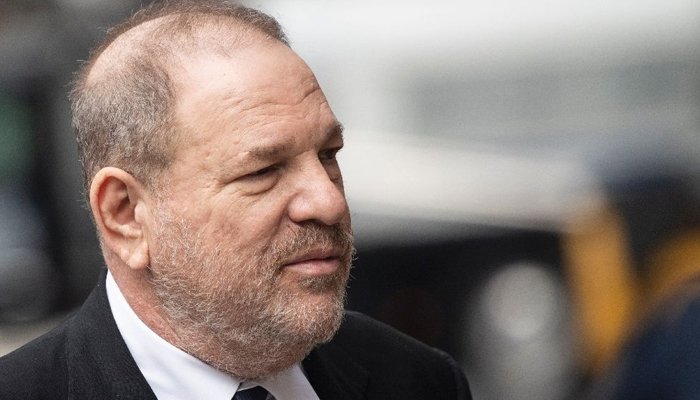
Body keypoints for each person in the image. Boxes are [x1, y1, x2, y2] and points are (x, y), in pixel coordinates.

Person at [0, 1, 472, 399]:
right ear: (125, 214)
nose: (328, 202)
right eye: (263, 171)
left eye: (328, 155)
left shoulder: (416, 379)